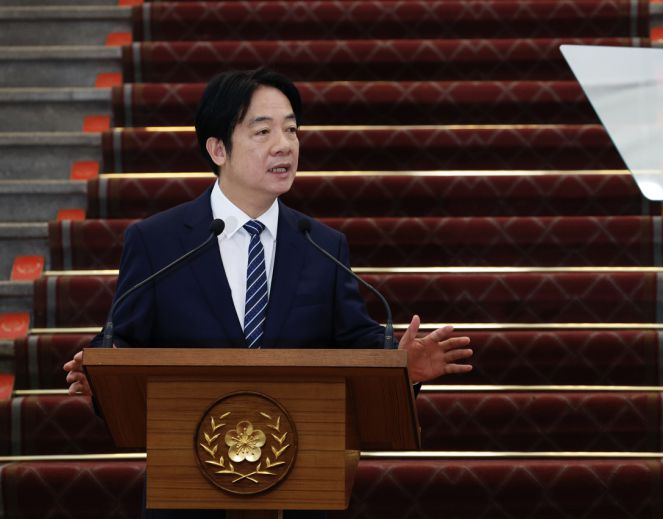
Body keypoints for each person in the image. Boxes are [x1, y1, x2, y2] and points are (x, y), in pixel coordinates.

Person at [64, 67, 473, 518]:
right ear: (218, 149)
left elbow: (355, 342)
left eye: (291, 130)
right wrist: (102, 372)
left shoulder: (322, 245)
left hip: (299, 491)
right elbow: (122, 339)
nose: (285, 145)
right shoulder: (158, 242)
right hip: (188, 494)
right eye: (263, 131)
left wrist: (400, 364)